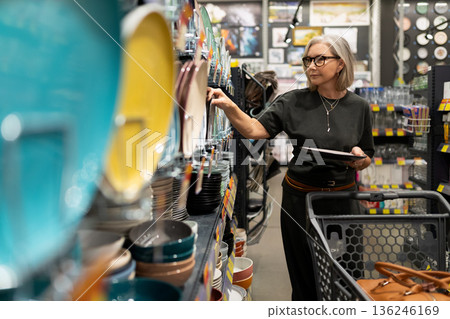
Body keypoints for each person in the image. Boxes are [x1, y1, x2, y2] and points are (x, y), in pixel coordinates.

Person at [207, 34, 374, 300]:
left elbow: (367, 157)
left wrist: (359, 157)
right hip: (301, 201)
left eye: (321, 59)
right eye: (308, 60)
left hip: (343, 202)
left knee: (347, 272)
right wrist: (228, 105)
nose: (311, 66)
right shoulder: (292, 102)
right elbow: (253, 130)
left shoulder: (360, 107)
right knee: (304, 275)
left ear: (340, 64)